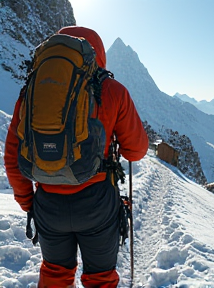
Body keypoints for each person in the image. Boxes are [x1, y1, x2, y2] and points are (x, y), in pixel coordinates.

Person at [4, 26, 148, 288]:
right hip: (97, 203)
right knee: (100, 279)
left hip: (47, 203)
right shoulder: (112, 90)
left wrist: (29, 202)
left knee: (55, 273)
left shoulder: (32, 91)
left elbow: (13, 154)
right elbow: (136, 150)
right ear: (97, 53)